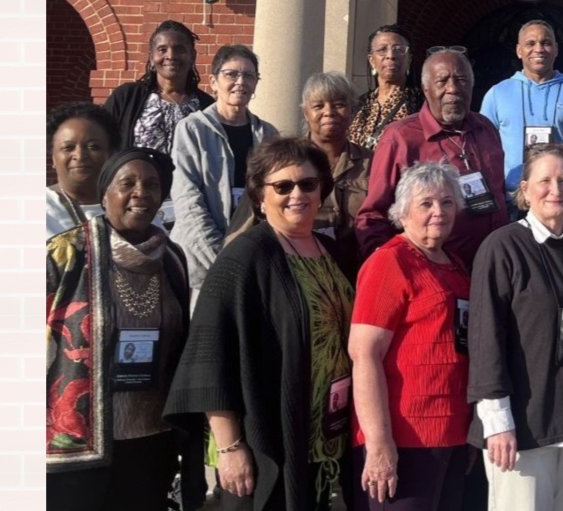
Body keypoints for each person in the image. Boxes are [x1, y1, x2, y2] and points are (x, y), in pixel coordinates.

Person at [164, 138, 354, 511]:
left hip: (325, 440)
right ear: (259, 196)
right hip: (266, 438)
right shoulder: (244, 257)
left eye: (308, 184)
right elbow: (210, 355)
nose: (297, 194)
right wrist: (230, 446)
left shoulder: (332, 252)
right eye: (282, 186)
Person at [47, 148, 201, 510]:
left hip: (152, 438)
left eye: (151, 185)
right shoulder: (66, 253)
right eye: (127, 183)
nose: (140, 192)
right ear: (104, 195)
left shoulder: (172, 259)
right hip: (80, 442)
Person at [468, 144, 563, 511]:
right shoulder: (502, 247)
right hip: (522, 428)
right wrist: (498, 421)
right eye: (544, 180)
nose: (556, 189)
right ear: (525, 190)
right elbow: (486, 338)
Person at [349, 162, 472, 510]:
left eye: (447, 202)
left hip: (451, 434)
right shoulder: (389, 262)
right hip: (403, 438)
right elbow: (364, 354)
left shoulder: (455, 264)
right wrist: (379, 442)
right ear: (402, 213)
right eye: (427, 203)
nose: (439, 212)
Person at [356, 48, 508, 267]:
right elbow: (373, 215)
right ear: (425, 88)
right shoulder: (401, 137)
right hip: (434, 272)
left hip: (493, 266)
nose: (453, 89)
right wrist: (387, 266)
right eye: (442, 81)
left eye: (462, 80)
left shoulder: (486, 129)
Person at [170, 44, 279, 303]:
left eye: (249, 76)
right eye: (231, 74)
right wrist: (221, 260)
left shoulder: (268, 135)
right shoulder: (192, 129)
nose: (240, 82)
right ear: (214, 81)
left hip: (252, 260)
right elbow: (188, 200)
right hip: (202, 263)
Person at [481, 20, 563, 209]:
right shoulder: (497, 93)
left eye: (546, 43)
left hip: (560, 197)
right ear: (519, 50)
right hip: (513, 199)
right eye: (530, 43)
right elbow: (483, 149)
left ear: (556, 49)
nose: (539, 49)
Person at [104, 20, 214, 154]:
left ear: (193, 56)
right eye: (162, 50)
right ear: (151, 57)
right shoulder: (127, 96)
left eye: (180, 50)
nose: (171, 56)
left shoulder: (207, 107)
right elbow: (101, 141)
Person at [301, 71, 372, 275]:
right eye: (318, 106)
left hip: (358, 271)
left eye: (339, 104)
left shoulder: (372, 163)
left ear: (352, 111)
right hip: (303, 271)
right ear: (306, 112)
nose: (329, 112)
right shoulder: (288, 162)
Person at [46, 102, 121, 238]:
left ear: (111, 155)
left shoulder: (133, 205)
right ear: (53, 157)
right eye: (68, 147)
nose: (80, 156)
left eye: (93, 147)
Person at [349, 25, 423, 151]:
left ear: (409, 59)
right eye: (382, 50)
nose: (390, 56)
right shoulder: (358, 105)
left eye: (399, 49)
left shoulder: (422, 104)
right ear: (371, 60)